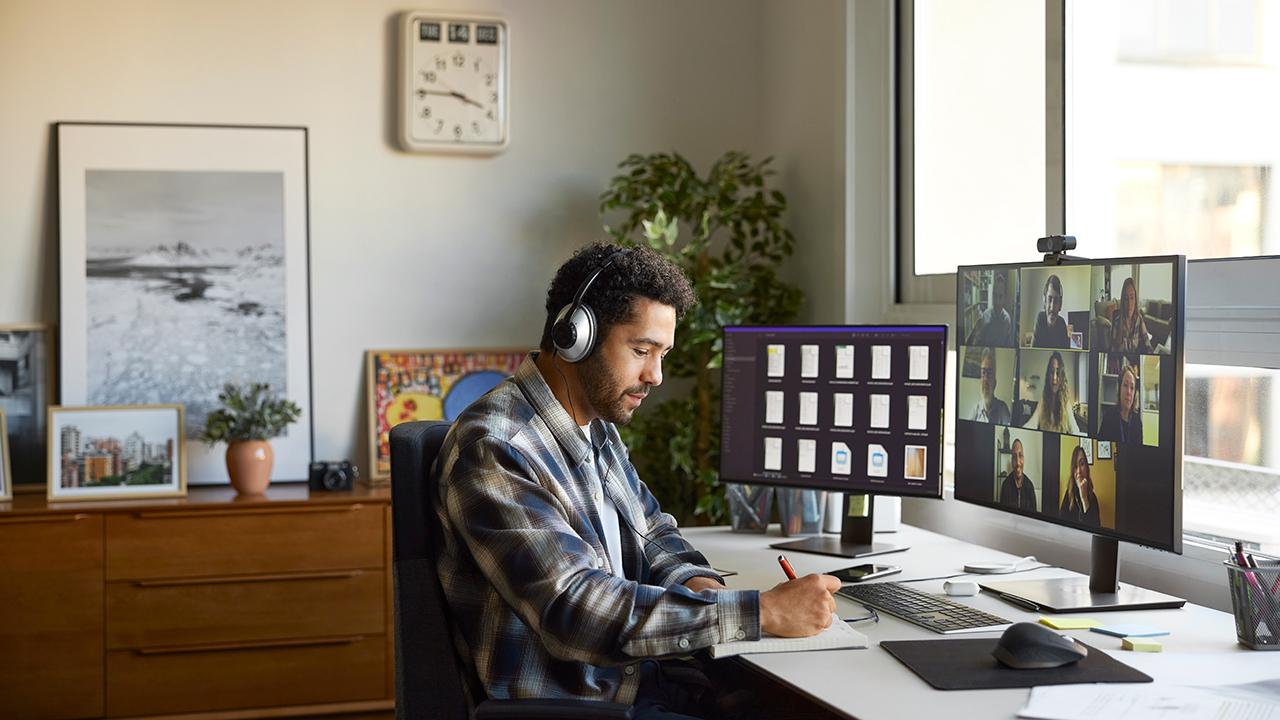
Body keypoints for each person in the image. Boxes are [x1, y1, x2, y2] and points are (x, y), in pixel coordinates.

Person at [432, 242, 840, 719]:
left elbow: (653, 534)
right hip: (576, 704)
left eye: (662, 353)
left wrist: (706, 589)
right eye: (641, 350)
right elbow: (573, 609)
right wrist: (759, 613)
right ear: (574, 337)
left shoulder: (594, 426)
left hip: (634, 681)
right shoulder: (498, 447)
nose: (656, 375)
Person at [1023, 351, 1081, 434]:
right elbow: (1032, 424)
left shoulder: (1065, 404)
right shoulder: (1043, 400)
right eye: (1051, 372)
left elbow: (1075, 431)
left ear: (1062, 377)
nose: (1054, 377)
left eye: (1057, 373)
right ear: (1048, 375)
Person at [1098, 363, 1144, 444]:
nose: (1129, 392)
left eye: (1132, 388)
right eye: (1125, 385)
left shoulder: (1137, 421)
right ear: (1119, 388)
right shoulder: (1108, 417)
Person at [1059, 444, 1101, 526]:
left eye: (1082, 464)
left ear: (1087, 468)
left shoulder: (1093, 499)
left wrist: (1084, 498)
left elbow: (1095, 529)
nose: (1078, 471)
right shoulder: (1068, 495)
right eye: (1075, 466)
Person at [970, 271, 1015, 346]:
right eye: (995, 295)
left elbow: (1008, 345)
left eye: (1000, 296)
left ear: (1004, 298)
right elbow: (977, 342)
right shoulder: (985, 316)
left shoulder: (1007, 319)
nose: (997, 301)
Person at [1109, 277, 1152, 353]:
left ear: (1135, 300)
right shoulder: (1116, 322)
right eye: (1126, 299)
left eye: (1132, 298)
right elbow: (1112, 350)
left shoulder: (1139, 318)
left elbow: (1147, 342)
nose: (1129, 304)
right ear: (1122, 301)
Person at [970, 347, 1011, 424]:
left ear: (995, 383)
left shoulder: (1003, 409)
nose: (985, 379)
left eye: (989, 373)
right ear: (980, 381)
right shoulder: (975, 409)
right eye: (983, 373)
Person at [1031, 274, 1070, 349]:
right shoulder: (1040, 318)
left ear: (1060, 304)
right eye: (1049, 299)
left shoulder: (1062, 323)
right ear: (1044, 301)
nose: (1052, 308)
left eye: (1056, 300)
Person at [998, 438, 1037, 511]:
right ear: (1011, 460)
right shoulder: (1005, 485)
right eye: (1014, 457)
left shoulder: (1030, 487)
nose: (1018, 462)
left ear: (1024, 458)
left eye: (1020, 455)